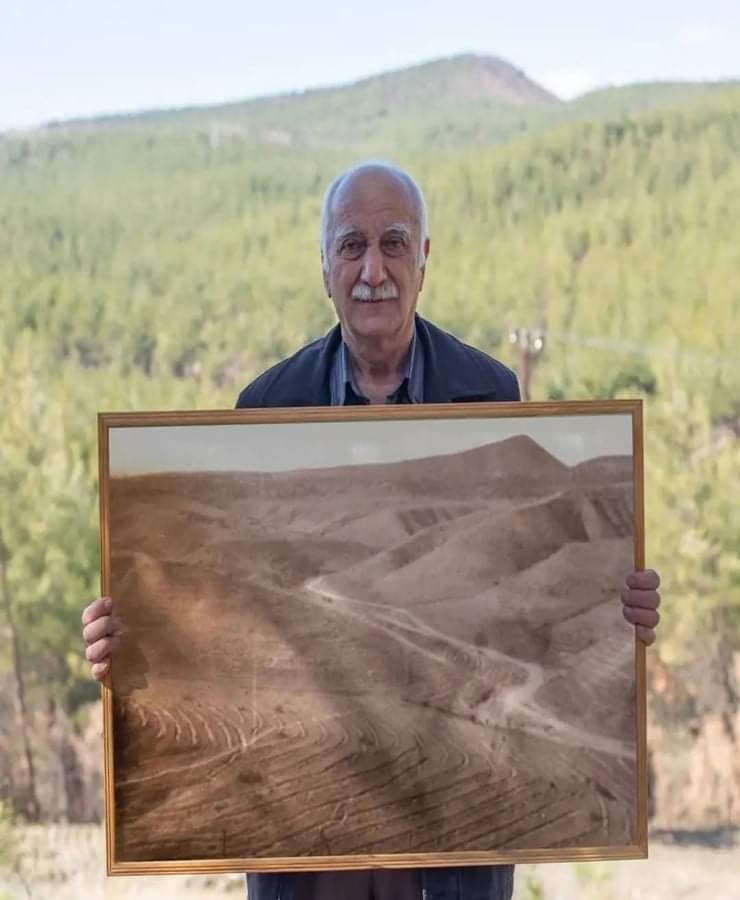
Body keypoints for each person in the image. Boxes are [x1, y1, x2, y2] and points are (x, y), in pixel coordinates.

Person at [81, 161, 662, 900]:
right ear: (324, 265)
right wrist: (134, 640)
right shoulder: (265, 406)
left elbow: (538, 622)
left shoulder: (491, 392)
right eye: (351, 245)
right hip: (305, 859)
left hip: (450, 859)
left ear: (425, 259)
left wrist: (620, 605)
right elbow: (227, 608)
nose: (373, 270)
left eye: (394, 243)